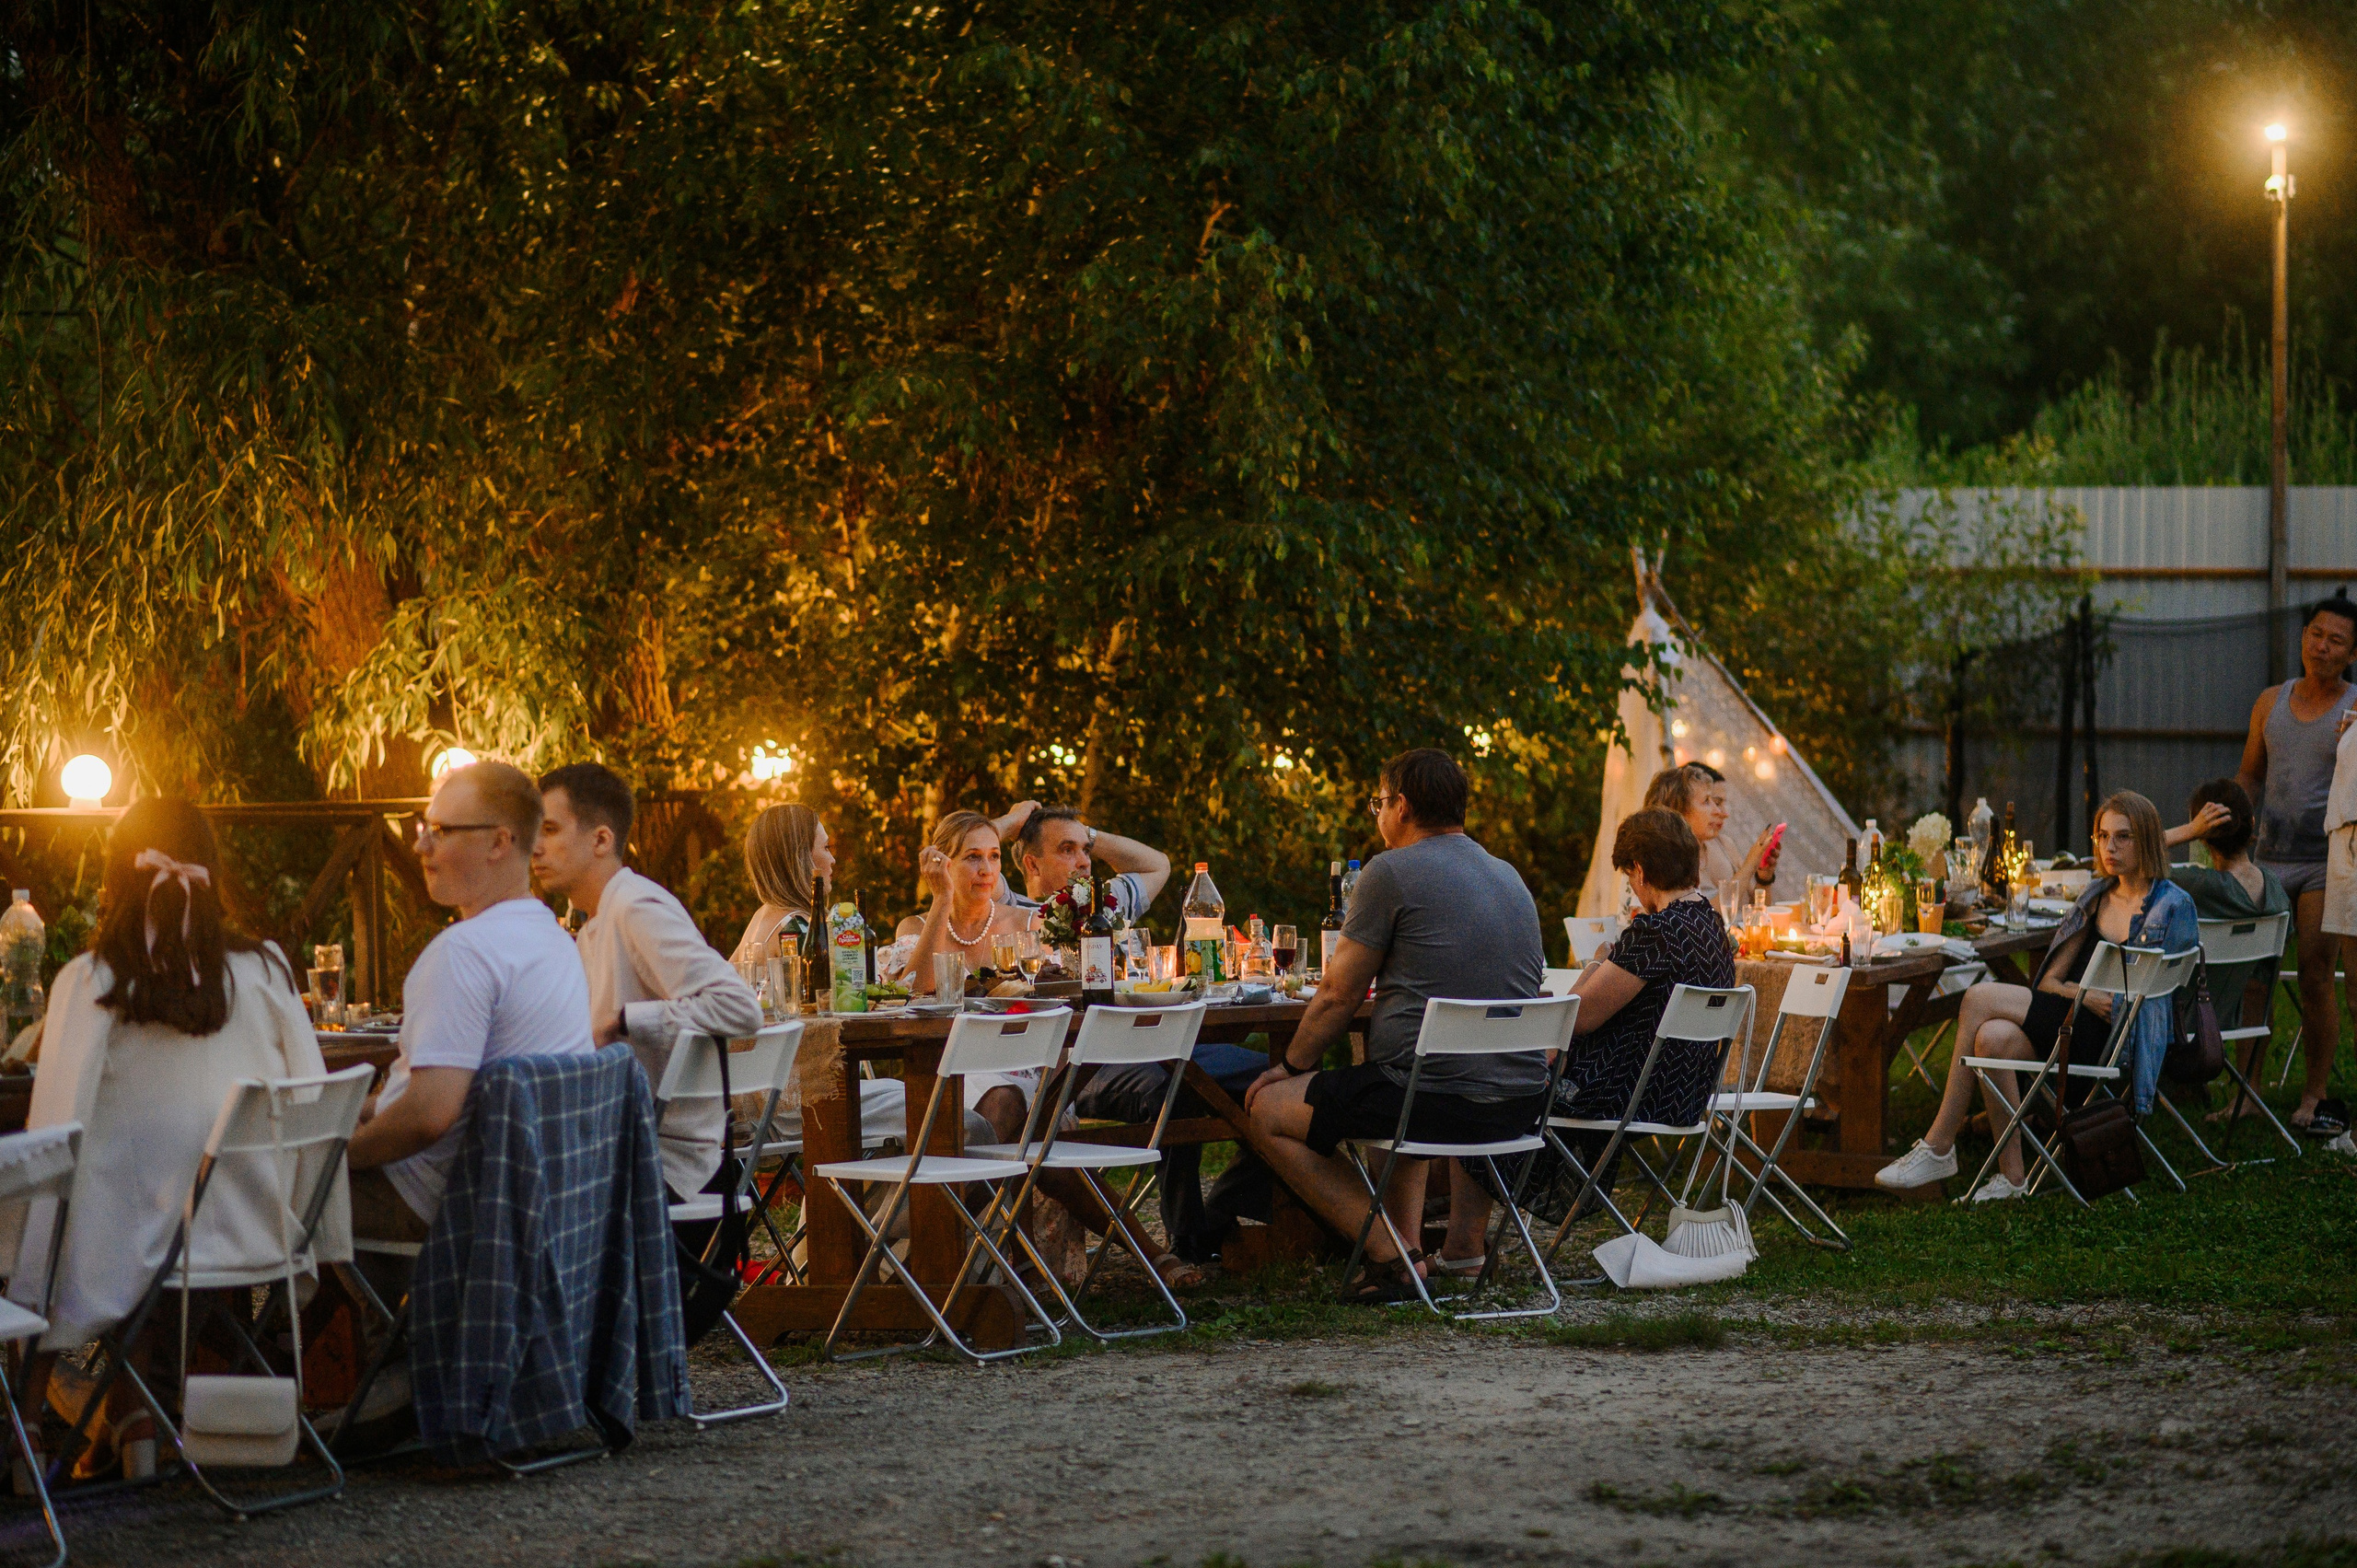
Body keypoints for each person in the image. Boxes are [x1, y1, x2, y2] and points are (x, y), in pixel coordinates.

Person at [9, 798, 348, 1481]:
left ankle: (25, 1424)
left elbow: (54, 1131)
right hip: (254, 1229)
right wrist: (316, 1223)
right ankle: (133, 1414)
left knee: (42, 1217)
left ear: (118, 876)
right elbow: (311, 1098)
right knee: (130, 1206)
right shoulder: (266, 971)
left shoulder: (93, 980)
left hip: (125, 1245)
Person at [1245, 749, 1550, 1301]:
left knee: (1268, 1109)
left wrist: (1288, 1067)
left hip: (1429, 1099)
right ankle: (1461, 1251)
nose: (1378, 814)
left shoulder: (1389, 872)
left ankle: (1393, 1254)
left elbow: (1338, 995)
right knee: (1396, 1073)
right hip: (1517, 1102)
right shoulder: (1508, 875)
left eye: (1378, 803)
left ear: (1402, 806)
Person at [1877, 791, 2197, 1201]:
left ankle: (1939, 1145)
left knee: (1977, 998)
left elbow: (2163, 999)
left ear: (2147, 839)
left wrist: (2105, 1002)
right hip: (2071, 1024)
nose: (2110, 847)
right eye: (2103, 836)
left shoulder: (2173, 906)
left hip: (2115, 1045)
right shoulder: (2096, 897)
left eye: (2123, 837)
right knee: (1991, 1038)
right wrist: (2083, 995)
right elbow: (2049, 982)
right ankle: (2012, 1178)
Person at [345, 760, 595, 1257]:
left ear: (499, 843)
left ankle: (261, 1310)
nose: (420, 847)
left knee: (238, 1191)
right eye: (423, 829)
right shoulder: (554, 942)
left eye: (440, 831)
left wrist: (338, 1155)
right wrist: (358, 1108)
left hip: (442, 1207)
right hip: (538, 1202)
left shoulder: (464, 953)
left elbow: (428, 1116)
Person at [531, 762, 763, 1199]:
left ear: (601, 840)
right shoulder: (595, 923)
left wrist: (627, 1019)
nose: (535, 847)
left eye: (550, 830)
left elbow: (739, 1007)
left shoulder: (634, 906)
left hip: (668, 1169)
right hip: (620, 1148)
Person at [1541, 807, 1739, 1216]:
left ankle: (1463, 1237)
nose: (1633, 886)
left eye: (1630, 876)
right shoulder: (1712, 926)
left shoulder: (1656, 933)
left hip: (1625, 1098)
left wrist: (1596, 963)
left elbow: (1576, 1019)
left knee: (1492, 1089)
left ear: (1642, 871)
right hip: (1685, 1095)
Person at [2235, 594, 2357, 1133]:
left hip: (2325, 862)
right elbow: (2250, 774)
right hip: (2267, 859)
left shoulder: (2355, 709)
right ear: (2304, 637)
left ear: (2352, 653)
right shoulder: (2270, 702)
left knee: (2313, 974)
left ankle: (2314, 1094)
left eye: (2335, 640)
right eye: (2315, 634)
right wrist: (2233, 820)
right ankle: (2247, 1093)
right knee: (2254, 978)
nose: (2322, 646)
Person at [728, 803, 913, 1148]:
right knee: (951, 1117)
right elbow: (835, 1007)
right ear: (801, 859)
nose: (833, 860)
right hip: (798, 1102)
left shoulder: (762, 919)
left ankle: (852, 1186)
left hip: (751, 1101)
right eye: (826, 848)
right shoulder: (795, 929)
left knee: (902, 1097)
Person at [899, 811, 1039, 1141]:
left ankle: (950, 1178)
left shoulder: (1028, 925)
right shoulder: (915, 928)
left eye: (994, 856)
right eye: (973, 857)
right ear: (942, 865)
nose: (987, 870)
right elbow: (914, 996)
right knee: (996, 1101)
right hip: (946, 1065)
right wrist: (942, 899)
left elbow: (1050, 1000)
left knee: (1014, 1102)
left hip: (1019, 1062)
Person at [2166, 778, 2291, 1120]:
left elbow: (2131, 860)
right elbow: (2262, 982)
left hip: (2181, 1019)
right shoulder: (2275, 890)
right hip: (2237, 1019)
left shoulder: (2201, 885)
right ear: (2251, 824)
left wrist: (2187, 830)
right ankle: (2247, 1092)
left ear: (2203, 837)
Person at [1003, 803, 1174, 923]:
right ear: (1033, 865)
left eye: (1086, 850)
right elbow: (979, 851)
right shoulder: (1009, 915)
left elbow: (1158, 866)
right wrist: (1010, 822)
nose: (1085, 862)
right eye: (1067, 850)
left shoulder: (1104, 907)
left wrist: (1086, 833)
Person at [1643, 762, 1782, 907]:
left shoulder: (1723, 844)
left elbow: (1759, 909)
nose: (1720, 812)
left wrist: (1764, 878)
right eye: (1707, 802)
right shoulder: (1665, 863)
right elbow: (1702, 917)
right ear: (1679, 811)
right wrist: (1751, 863)